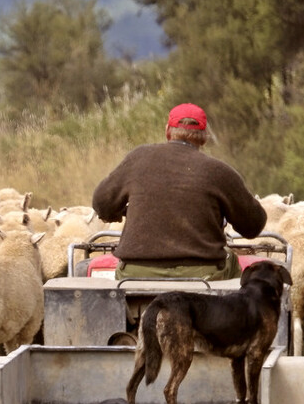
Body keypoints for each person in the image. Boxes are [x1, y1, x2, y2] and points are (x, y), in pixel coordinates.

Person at [91, 102, 267, 280]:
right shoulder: (219, 172)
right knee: (232, 262)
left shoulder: (138, 158)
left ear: (168, 131)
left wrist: (121, 213)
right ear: (204, 137)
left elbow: (101, 203)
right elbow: (253, 226)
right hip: (202, 275)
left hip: (136, 273)